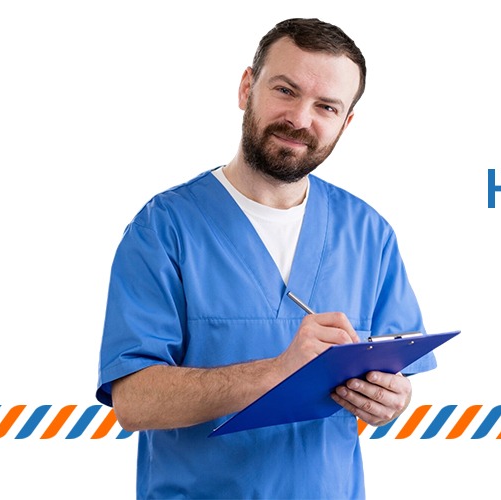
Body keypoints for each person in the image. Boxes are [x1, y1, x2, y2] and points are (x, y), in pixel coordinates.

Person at [96, 18, 435, 498]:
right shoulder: (165, 229)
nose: (300, 119)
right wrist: (277, 371)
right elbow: (132, 400)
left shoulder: (368, 233)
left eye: (326, 106)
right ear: (246, 87)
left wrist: (389, 399)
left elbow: (393, 368)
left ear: (346, 122)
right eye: (285, 90)